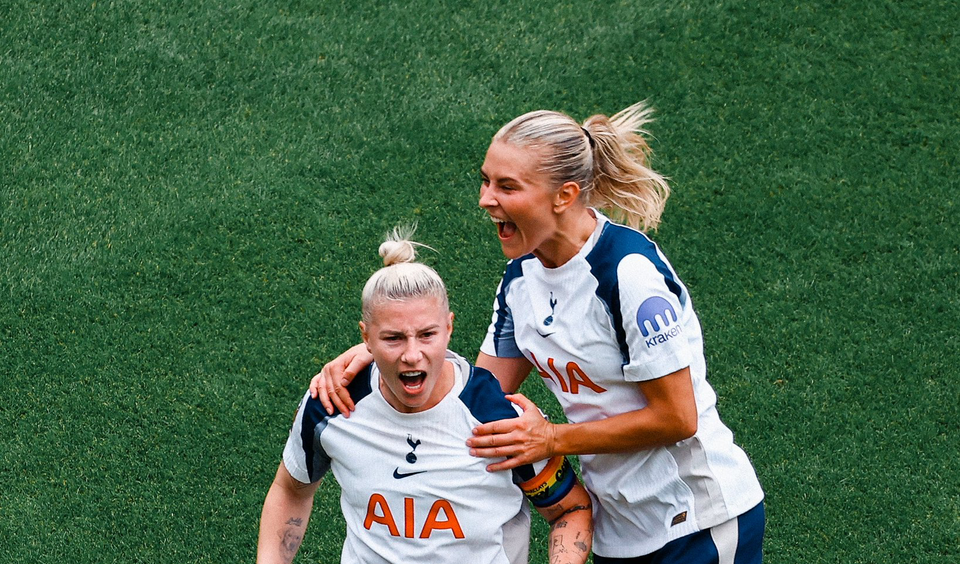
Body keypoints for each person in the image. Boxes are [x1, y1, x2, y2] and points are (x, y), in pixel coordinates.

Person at [312, 102, 765, 563]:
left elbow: (677, 417)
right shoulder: (520, 279)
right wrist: (382, 354)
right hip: (622, 528)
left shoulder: (627, 274)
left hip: (700, 519)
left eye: (507, 186)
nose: (486, 199)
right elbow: (478, 397)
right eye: (486, 180)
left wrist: (551, 439)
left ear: (564, 196)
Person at [257, 228, 593, 564]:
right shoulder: (332, 404)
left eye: (427, 334)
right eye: (393, 338)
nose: (412, 355)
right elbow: (290, 490)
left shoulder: (498, 417)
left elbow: (571, 509)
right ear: (366, 338)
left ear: (449, 328)